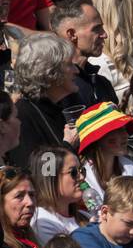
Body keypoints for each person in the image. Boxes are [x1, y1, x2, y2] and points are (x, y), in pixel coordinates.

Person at [11, 34, 82, 170]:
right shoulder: (22, 116)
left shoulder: (60, 105)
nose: (76, 70)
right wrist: (68, 145)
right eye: (69, 65)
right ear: (49, 72)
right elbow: (38, 173)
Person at [49, 0, 115, 108]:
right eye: (96, 29)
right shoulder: (57, 89)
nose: (105, 35)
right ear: (72, 34)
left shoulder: (102, 83)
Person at [29, 145, 91, 245]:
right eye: (74, 172)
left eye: (82, 170)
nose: (82, 177)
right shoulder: (42, 221)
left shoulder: (84, 215)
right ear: (51, 179)